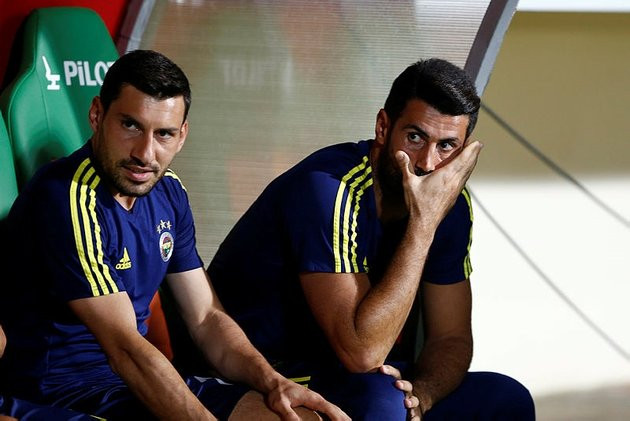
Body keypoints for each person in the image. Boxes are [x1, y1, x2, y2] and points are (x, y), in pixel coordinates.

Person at [0, 49, 348, 421]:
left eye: (163, 133)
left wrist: (272, 381)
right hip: (62, 394)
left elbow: (205, 318)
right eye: (130, 125)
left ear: (181, 136)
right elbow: (125, 349)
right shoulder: (67, 198)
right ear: (97, 115)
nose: (145, 153)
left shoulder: (168, 191)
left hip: (137, 382)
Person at [208, 58, 535, 419]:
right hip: (269, 377)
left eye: (446, 146)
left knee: (507, 398)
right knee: (383, 402)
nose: (427, 163)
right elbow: (361, 353)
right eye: (415, 137)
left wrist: (423, 394)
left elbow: (451, 337)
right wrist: (424, 223)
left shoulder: (451, 205)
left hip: (358, 377)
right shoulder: (329, 188)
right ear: (383, 127)